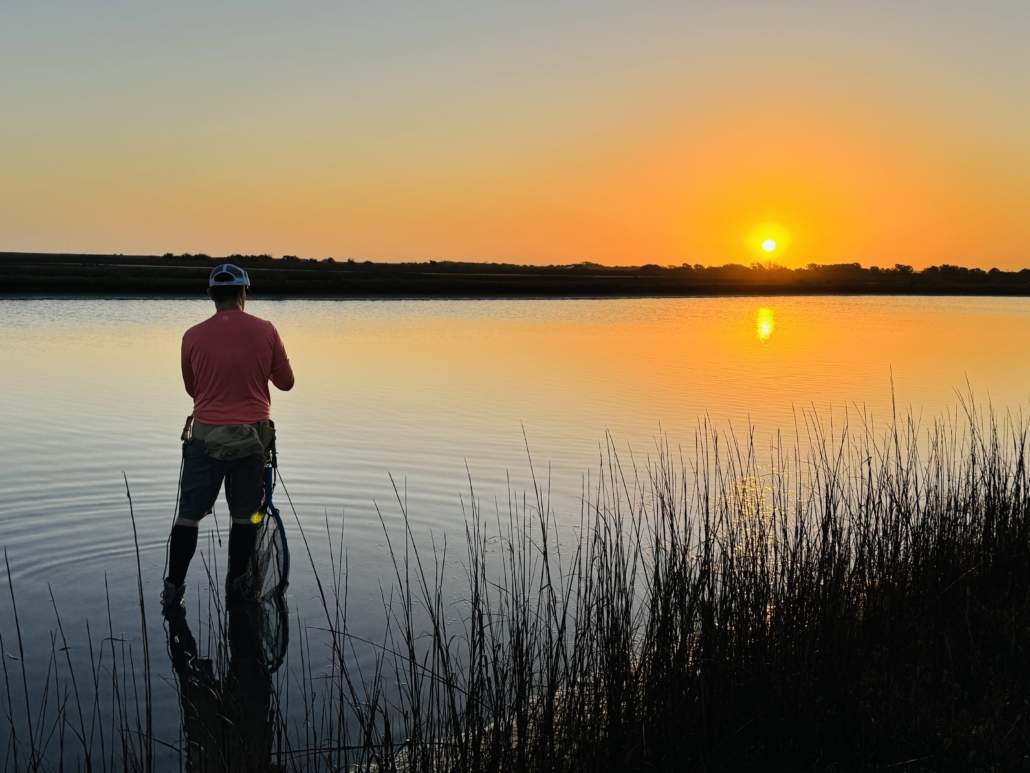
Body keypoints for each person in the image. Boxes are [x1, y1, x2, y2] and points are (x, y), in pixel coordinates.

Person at [162, 263, 295, 613]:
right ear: (244, 293)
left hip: (205, 439)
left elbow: (193, 388)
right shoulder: (267, 331)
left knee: (188, 517)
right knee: (246, 518)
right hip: (252, 441)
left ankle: (173, 590)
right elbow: (286, 382)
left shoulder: (191, 335)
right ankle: (238, 588)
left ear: (210, 296)